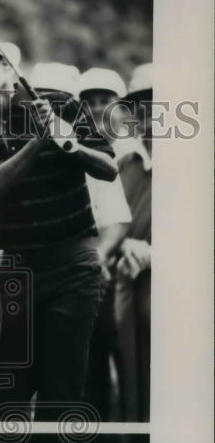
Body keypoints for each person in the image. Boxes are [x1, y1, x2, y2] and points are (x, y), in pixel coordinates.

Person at [0, 31, 117, 420]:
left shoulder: (60, 104)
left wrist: (70, 142)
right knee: (4, 390)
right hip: (18, 270)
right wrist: (38, 142)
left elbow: (108, 168)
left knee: (63, 389)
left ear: (7, 66)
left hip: (74, 264)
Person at [76, 67, 133, 419]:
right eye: (89, 101)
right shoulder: (75, 151)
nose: (98, 108)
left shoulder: (134, 153)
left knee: (133, 371)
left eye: (106, 100)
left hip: (130, 271)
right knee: (90, 372)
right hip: (87, 276)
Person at [114, 63, 152, 423]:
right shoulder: (125, 163)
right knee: (132, 389)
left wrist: (157, 255)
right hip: (128, 288)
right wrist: (124, 245)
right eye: (139, 104)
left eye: (157, 101)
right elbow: (111, 224)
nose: (147, 112)